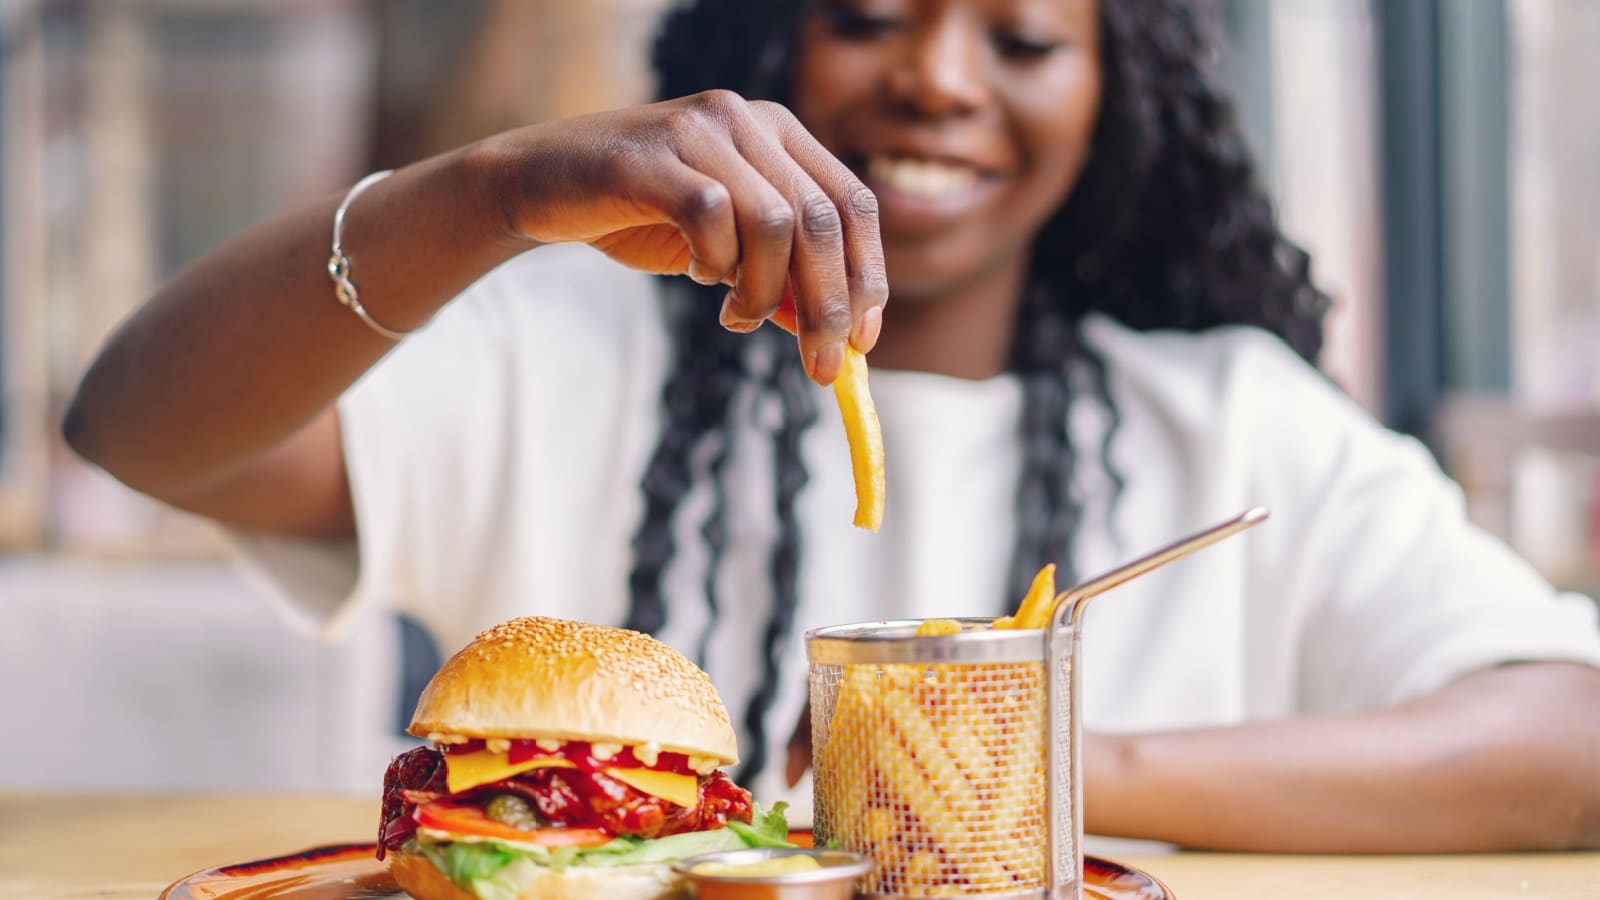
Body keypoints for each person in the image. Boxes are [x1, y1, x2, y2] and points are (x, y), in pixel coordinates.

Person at [63, 0, 1600, 853]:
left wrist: (1025, 761)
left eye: (1023, 37)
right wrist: (490, 196)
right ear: (765, 43)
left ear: (1115, 89)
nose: (936, 79)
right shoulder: (557, 354)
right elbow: (140, 430)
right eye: (872, 15)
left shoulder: (1229, 418)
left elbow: (1570, 739)